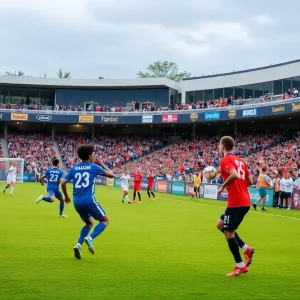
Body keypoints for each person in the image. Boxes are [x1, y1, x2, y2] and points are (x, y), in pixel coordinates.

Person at [61, 145, 114, 259]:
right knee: (105, 221)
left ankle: (78, 245)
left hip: (77, 202)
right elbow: (112, 175)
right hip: (89, 200)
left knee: (89, 223)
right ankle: (90, 239)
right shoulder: (93, 167)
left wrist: (66, 196)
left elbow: (63, 182)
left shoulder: (74, 168)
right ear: (90, 156)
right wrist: (102, 164)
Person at [216, 136, 254, 277]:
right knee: (220, 225)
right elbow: (250, 181)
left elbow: (234, 175)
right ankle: (246, 248)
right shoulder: (241, 161)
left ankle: (240, 266)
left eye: (219, 146)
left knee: (228, 233)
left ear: (222, 146)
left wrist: (222, 186)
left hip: (236, 202)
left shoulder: (225, 160)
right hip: (244, 200)